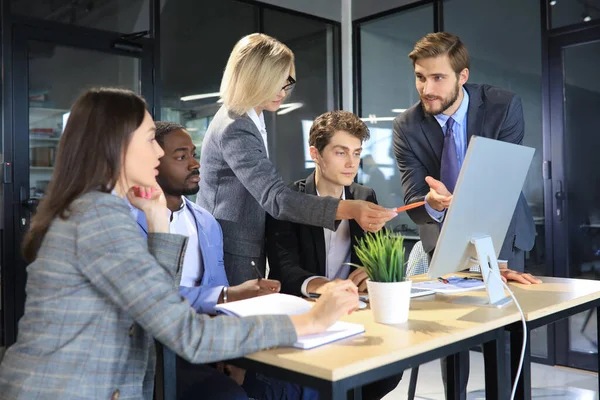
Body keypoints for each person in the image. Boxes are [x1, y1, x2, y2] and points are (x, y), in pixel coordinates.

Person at [0, 88, 359, 400]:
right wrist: (308, 322)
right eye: (148, 139)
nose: (157, 154)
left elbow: (159, 300)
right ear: (117, 146)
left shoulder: (96, 210)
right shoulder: (99, 220)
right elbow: (186, 333)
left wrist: (157, 217)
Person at [392, 32, 541, 399]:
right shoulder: (407, 127)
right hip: (443, 237)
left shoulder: (503, 106)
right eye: (420, 77)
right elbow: (414, 195)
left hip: (501, 227)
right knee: (453, 339)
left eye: (438, 77)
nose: (427, 88)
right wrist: (432, 202)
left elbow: (501, 180)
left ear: (462, 76)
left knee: (508, 339)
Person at [198, 33, 396, 286]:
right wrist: (350, 209)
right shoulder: (236, 126)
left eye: (287, 82)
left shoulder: (250, 120)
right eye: (277, 83)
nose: (284, 91)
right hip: (232, 251)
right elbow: (276, 199)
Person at [265, 110, 402, 400]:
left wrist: (372, 270)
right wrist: (329, 288)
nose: (352, 163)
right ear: (316, 153)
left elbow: (381, 252)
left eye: (356, 152)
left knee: (389, 370)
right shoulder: (289, 201)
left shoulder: (364, 196)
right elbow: (284, 269)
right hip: (308, 312)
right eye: (341, 152)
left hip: (357, 313)